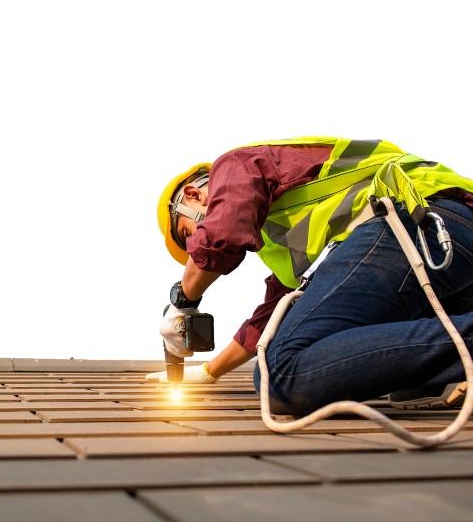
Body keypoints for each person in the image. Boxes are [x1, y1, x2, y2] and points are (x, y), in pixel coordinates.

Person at [150, 136, 473, 415]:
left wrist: (183, 301)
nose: (195, 248)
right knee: (404, 383)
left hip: (412, 220)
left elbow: (221, 235)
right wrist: (209, 372)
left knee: (278, 374)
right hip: (452, 236)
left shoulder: (234, 166)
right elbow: (269, 320)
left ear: (192, 195)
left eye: (189, 235)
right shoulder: (280, 236)